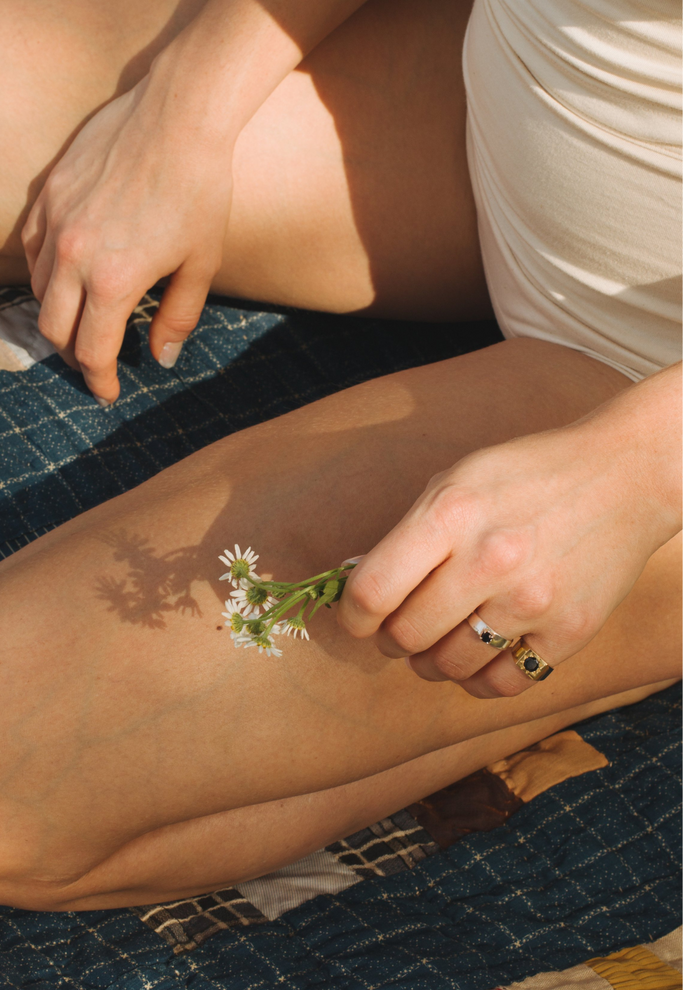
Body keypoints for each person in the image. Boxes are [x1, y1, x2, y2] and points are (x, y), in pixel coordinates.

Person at [0, 0, 679, 912]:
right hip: (504, 92)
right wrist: (183, 105)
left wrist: (640, 468)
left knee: (18, 778)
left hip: (641, 385)